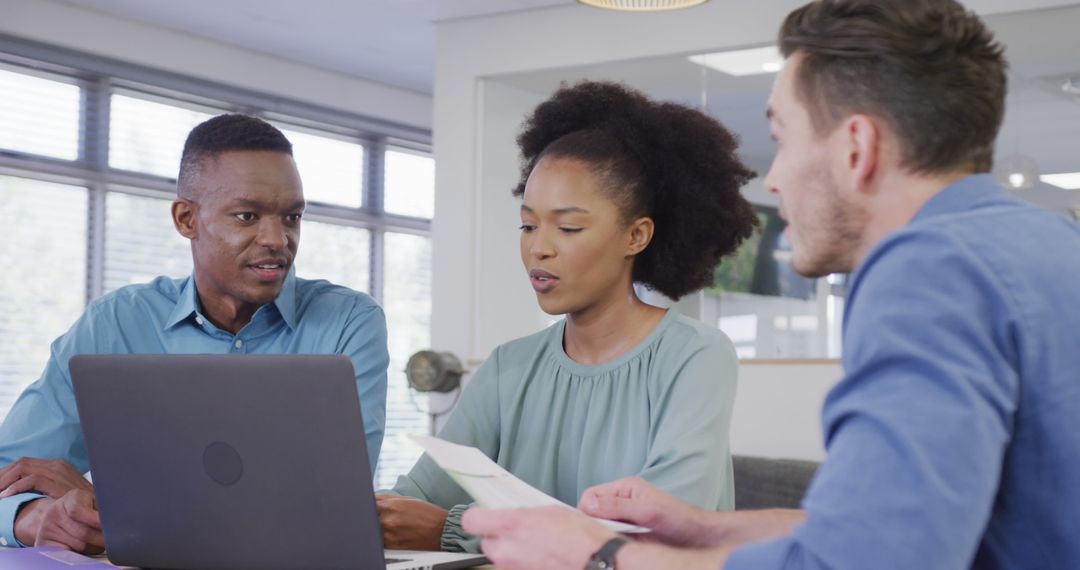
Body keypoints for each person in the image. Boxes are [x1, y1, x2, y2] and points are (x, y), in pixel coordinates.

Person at [460, 0, 1080, 568]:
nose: (775, 180)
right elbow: (889, 524)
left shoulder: (929, 270)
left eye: (782, 139)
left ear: (856, 148)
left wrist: (603, 556)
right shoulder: (1045, 246)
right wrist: (707, 528)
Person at [376, 81, 759, 553]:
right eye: (528, 224)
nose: (539, 247)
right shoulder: (508, 369)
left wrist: (454, 529)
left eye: (569, 227)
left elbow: (656, 532)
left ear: (636, 236)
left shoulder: (695, 356)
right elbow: (414, 503)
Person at [0, 114, 390, 553]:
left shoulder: (349, 323)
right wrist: (35, 519)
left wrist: (118, 504)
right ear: (187, 219)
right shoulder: (116, 324)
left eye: (291, 217)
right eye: (248, 216)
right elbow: (10, 470)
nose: (278, 239)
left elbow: (332, 501)